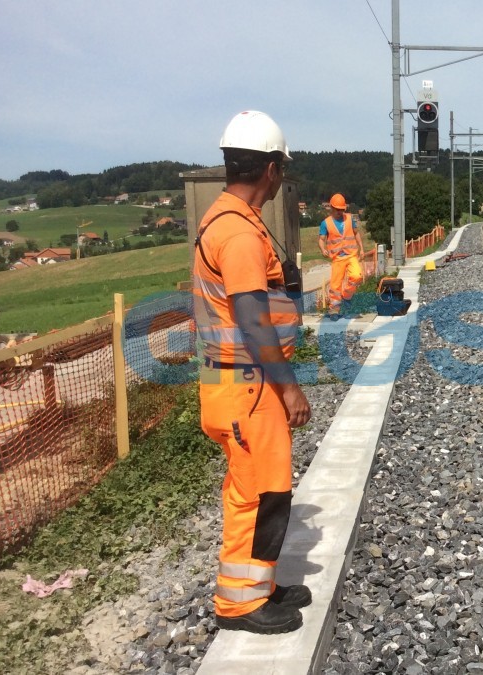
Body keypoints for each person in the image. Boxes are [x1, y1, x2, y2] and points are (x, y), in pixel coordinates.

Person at [192, 110, 313, 634]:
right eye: (281, 168)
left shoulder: (229, 219)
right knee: (258, 493)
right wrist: (289, 390)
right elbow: (252, 320)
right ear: (271, 170)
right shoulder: (238, 234)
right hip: (248, 386)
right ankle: (240, 604)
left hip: (240, 384)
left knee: (263, 486)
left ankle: (258, 582)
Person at [317, 193, 365, 317]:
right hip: (337, 258)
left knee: (357, 276)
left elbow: (356, 234)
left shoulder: (350, 219)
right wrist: (323, 249)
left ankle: (347, 295)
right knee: (335, 285)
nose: (339, 212)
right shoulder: (325, 223)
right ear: (331, 208)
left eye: (341, 209)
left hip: (351, 255)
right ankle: (334, 309)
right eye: (337, 209)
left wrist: (362, 249)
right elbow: (321, 239)